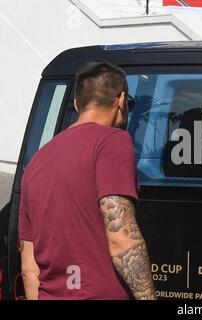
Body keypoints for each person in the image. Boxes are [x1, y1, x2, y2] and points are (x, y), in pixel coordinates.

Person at [18, 60, 157, 300]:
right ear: (121, 100)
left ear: (76, 104)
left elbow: (29, 269)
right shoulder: (113, 141)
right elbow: (121, 237)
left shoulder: (35, 163)